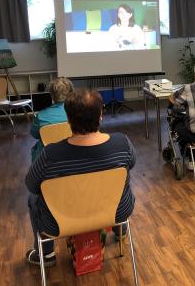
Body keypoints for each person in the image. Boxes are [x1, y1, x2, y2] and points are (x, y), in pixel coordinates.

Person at [25, 89, 136, 267]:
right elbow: (131, 164)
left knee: (33, 199)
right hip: (116, 212)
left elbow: (31, 184)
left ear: (68, 119)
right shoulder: (123, 143)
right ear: (100, 115)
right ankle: (119, 229)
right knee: (121, 181)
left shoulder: (51, 154)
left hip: (59, 223)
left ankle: (45, 255)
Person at [29, 77, 74, 162]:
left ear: (52, 95)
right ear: (71, 93)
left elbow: (34, 134)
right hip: (72, 155)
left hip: (47, 158)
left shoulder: (40, 116)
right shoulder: (78, 113)